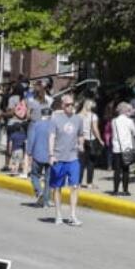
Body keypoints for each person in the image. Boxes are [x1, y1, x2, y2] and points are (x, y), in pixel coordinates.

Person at [48, 95, 84, 226]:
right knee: (57, 187)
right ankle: (58, 214)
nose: (70, 107)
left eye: (72, 104)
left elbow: (80, 135)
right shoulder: (55, 119)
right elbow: (51, 137)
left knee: (75, 186)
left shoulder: (78, 119)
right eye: (68, 104)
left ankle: (73, 215)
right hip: (58, 157)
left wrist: (81, 145)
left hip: (73, 158)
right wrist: (51, 155)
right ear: (62, 105)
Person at [25, 103, 52, 207]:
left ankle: (39, 191)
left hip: (37, 154)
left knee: (34, 175)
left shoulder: (36, 124)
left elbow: (31, 139)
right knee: (48, 179)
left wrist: (29, 152)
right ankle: (46, 201)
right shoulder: (54, 126)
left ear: (42, 115)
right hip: (51, 156)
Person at [109, 102, 135, 196]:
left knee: (117, 170)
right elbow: (134, 132)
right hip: (127, 148)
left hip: (117, 148)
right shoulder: (129, 121)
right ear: (125, 110)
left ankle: (115, 190)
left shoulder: (114, 121)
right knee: (126, 170)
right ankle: (125, 190)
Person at [77, 99, 103, 189]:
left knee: (81, 163)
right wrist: (100, 139)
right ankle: (89, 183)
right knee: (90, 163)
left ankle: (78, 182)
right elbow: (95, 129)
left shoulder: (78, 115)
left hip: (80, 140)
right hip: (90, 140)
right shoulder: (93, 116)